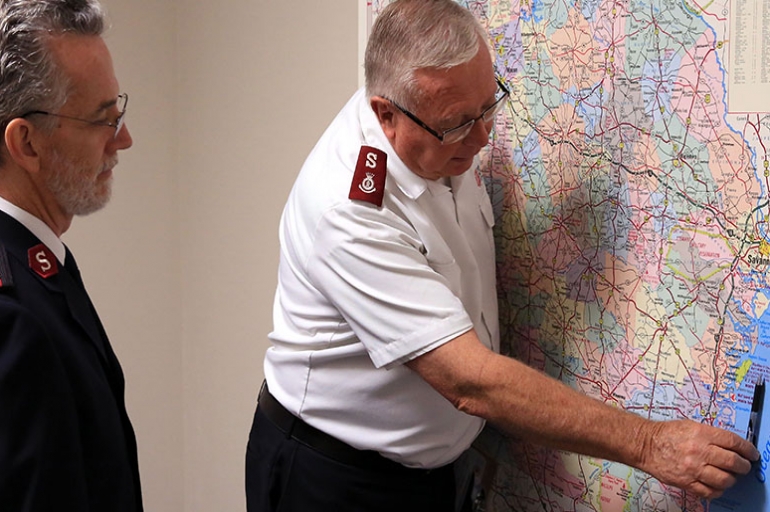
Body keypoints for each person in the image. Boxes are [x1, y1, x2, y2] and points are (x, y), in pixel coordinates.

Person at [245, 1, 759, 511]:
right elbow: (468, 381)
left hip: (432, 474)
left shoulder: (432, 124)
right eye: (457, 124)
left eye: (488, 107)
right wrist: (650, 444)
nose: (483, 136)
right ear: (386, 114)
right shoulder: (349, 209)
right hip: (332, 479)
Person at [0, 0, 142, 510]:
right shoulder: (14, 317)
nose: (123, 139)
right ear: (27, 144)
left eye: (119, 111)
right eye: (103, 121)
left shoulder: (37, 260)